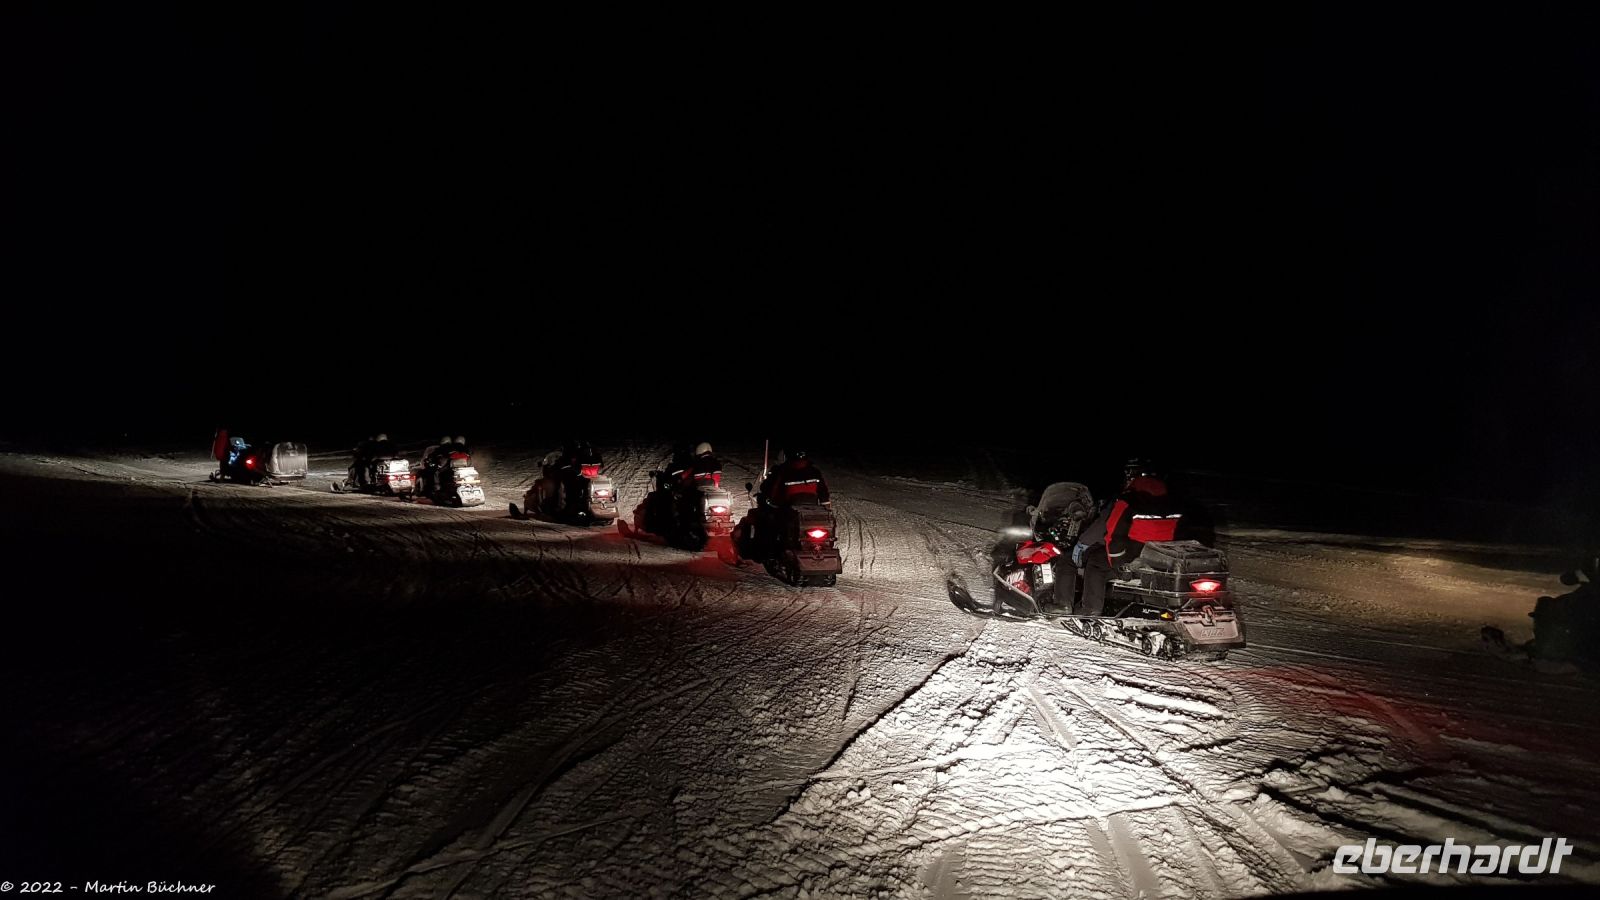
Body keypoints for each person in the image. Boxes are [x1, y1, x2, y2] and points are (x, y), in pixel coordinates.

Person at [1072, 459, 1183, 616]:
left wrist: (1119, 565)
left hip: (1135, 554)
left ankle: (1090, 609)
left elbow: (1113, 535)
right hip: (1163, 556)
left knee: (1096, 563)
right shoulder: (1172, 500)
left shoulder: (1128, 500)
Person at [764, 447, 830, 507]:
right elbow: (823, 490)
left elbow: (776, 490)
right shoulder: (815, 471)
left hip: (790, 506)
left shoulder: (784, 471)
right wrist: (825, 503)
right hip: (812, 504)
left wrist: (773, 501)